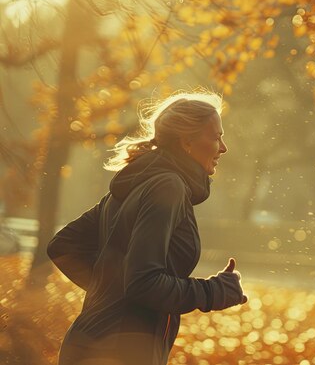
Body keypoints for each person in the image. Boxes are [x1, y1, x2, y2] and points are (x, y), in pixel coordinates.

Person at [47, 91, 247, 365]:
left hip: (89, 342)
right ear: (186, 141)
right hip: (122, 351)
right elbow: (144, 283)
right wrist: (214, 291)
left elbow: (62, 246)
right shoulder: (167, 186)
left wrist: (110, 292)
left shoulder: (136, 183)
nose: (223, 147)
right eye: (215, 137)